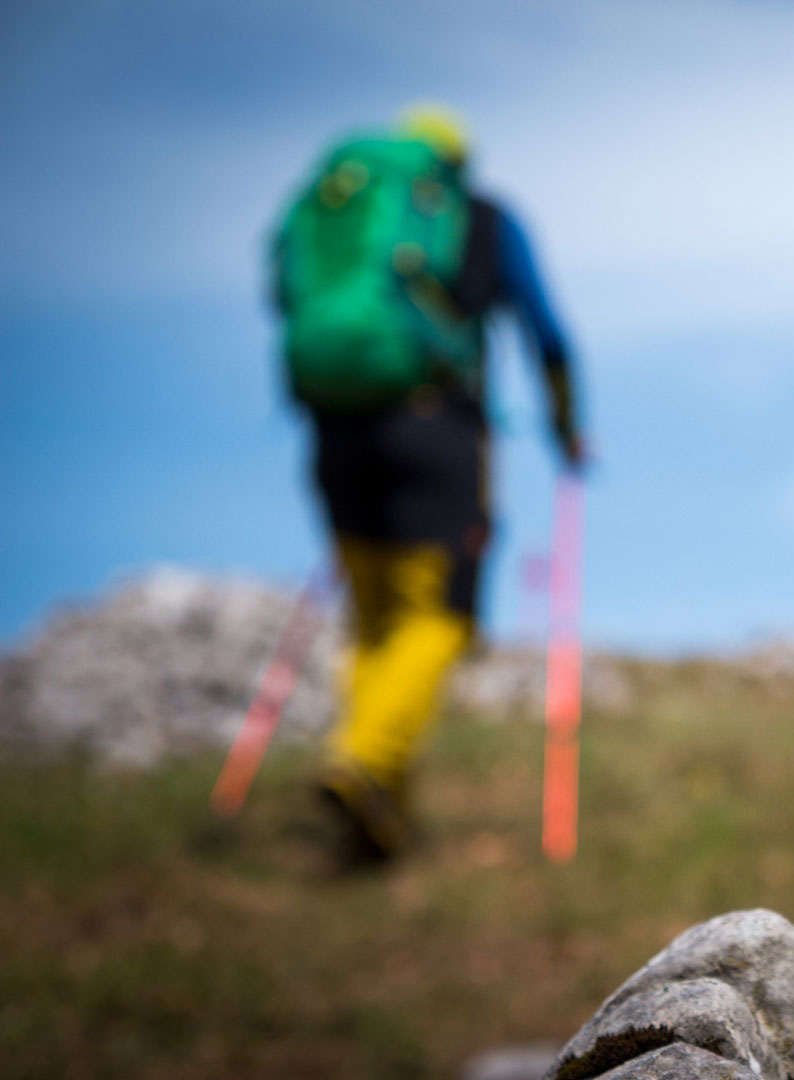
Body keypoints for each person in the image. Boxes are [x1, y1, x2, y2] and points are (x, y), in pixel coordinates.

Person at [270, 104, 584, 866]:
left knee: (374, 620)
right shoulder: (481, 219)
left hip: (334, 431)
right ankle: (363, 761)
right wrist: (566, 428)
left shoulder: (339, 205)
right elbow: (545, 330)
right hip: (434, 430)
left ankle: (383, 822)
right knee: (438, 615)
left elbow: (284, 295)